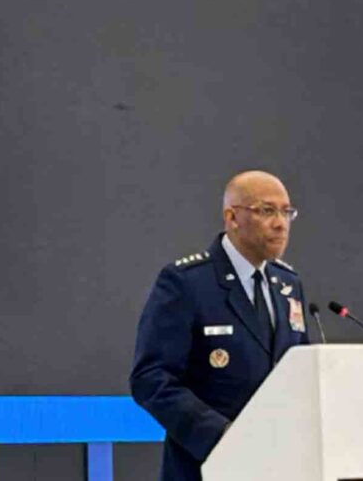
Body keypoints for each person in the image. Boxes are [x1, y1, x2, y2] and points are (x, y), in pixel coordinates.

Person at [130, 170, 310, 481]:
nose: (280, 223)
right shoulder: (187, 282)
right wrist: (223, 435)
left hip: (281, 466)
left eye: (286, 211)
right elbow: (151, 378)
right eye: (266, 211)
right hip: (206, 467)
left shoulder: (288, 284)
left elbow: (300, 372)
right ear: (232, 217)